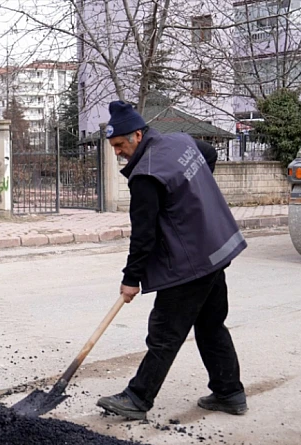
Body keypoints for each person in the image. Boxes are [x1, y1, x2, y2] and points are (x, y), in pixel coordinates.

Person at [96, 101, 248, 421]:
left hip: (189, 263)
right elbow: (209, 154)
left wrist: (131, 279)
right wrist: (193, 195)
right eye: (113, 147)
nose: (118, 153)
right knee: (210, 325)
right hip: (214, 250)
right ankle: (229, 392)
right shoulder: (178, 141)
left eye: (121, 145)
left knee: (164, 333)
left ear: (137, 135)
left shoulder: (145, 175)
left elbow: (144, 236)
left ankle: (137, 398)